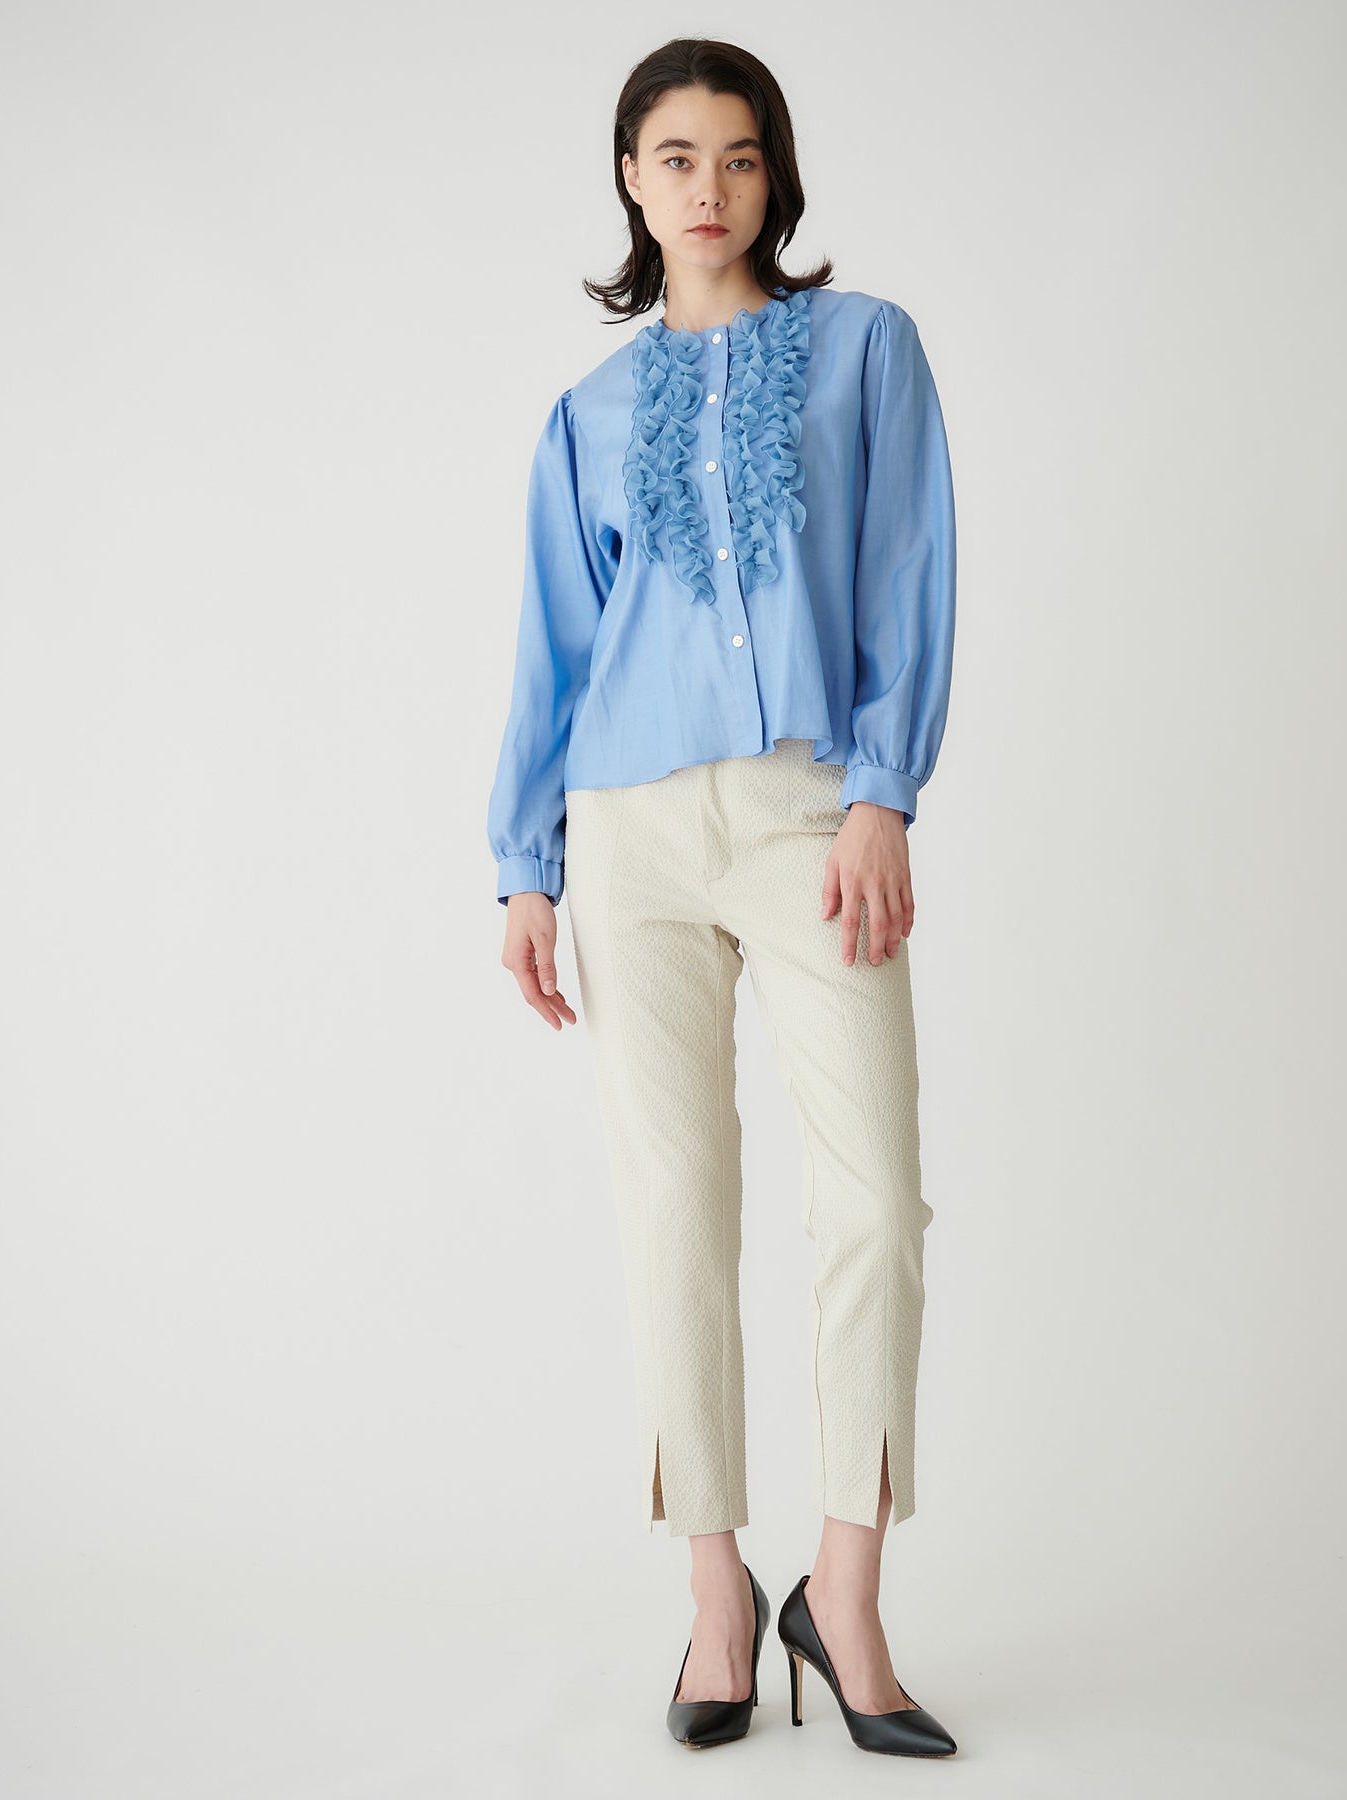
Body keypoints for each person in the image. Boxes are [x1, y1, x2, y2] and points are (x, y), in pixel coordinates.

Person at [486, 38, 959, 1758]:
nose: (709, 187)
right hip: (626, 834)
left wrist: (883, 792)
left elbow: (907, 574)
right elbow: (554, 653)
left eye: (741, 156)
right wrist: (525, 869)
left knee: (878, 1203)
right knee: (674, 1211)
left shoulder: (866, 353)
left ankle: (846, 1594)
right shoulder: (587, 414)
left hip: (809, 814)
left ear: (776, 176)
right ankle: (712, 1597)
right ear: (631, 177)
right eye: (676, 157)